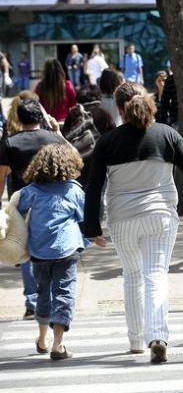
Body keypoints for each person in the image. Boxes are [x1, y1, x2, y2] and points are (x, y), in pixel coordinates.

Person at [83, 82, 183, 363]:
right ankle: (158, 336)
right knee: (156, 274)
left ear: (119, 109)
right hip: (160, 216)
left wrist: (91, 227)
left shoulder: (108, 142)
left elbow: (94, 186)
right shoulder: (167, 135)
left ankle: (136, 340)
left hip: (122, 219)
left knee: (133, 275)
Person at [19, 143, 106, 360]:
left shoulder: (31, 190)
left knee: (43, 292)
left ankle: (42, 339)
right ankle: (57, 345)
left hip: (39, 251)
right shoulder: (73, 190)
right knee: (64, 293)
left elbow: (16, 212)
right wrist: (94, 236)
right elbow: (85, 217)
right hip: (66, 250)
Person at [0, 98, 67, 321]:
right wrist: (57, 131)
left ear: (19, 118)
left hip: (21, 203)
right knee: (50, 249)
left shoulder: (10, 143)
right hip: (50, 201)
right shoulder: (52, 139)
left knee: (24, 251)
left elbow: (1, 178)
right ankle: (50, 298)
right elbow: (72, 161)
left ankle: (32, 301)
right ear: (41, 117)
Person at [35, 58, 77, 123]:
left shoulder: (40, 86)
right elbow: (74, 106)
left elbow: (36, 106)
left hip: (46, 124)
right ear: (60, 70)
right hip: (64, 124)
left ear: (45, 72)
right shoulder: (68, 85)